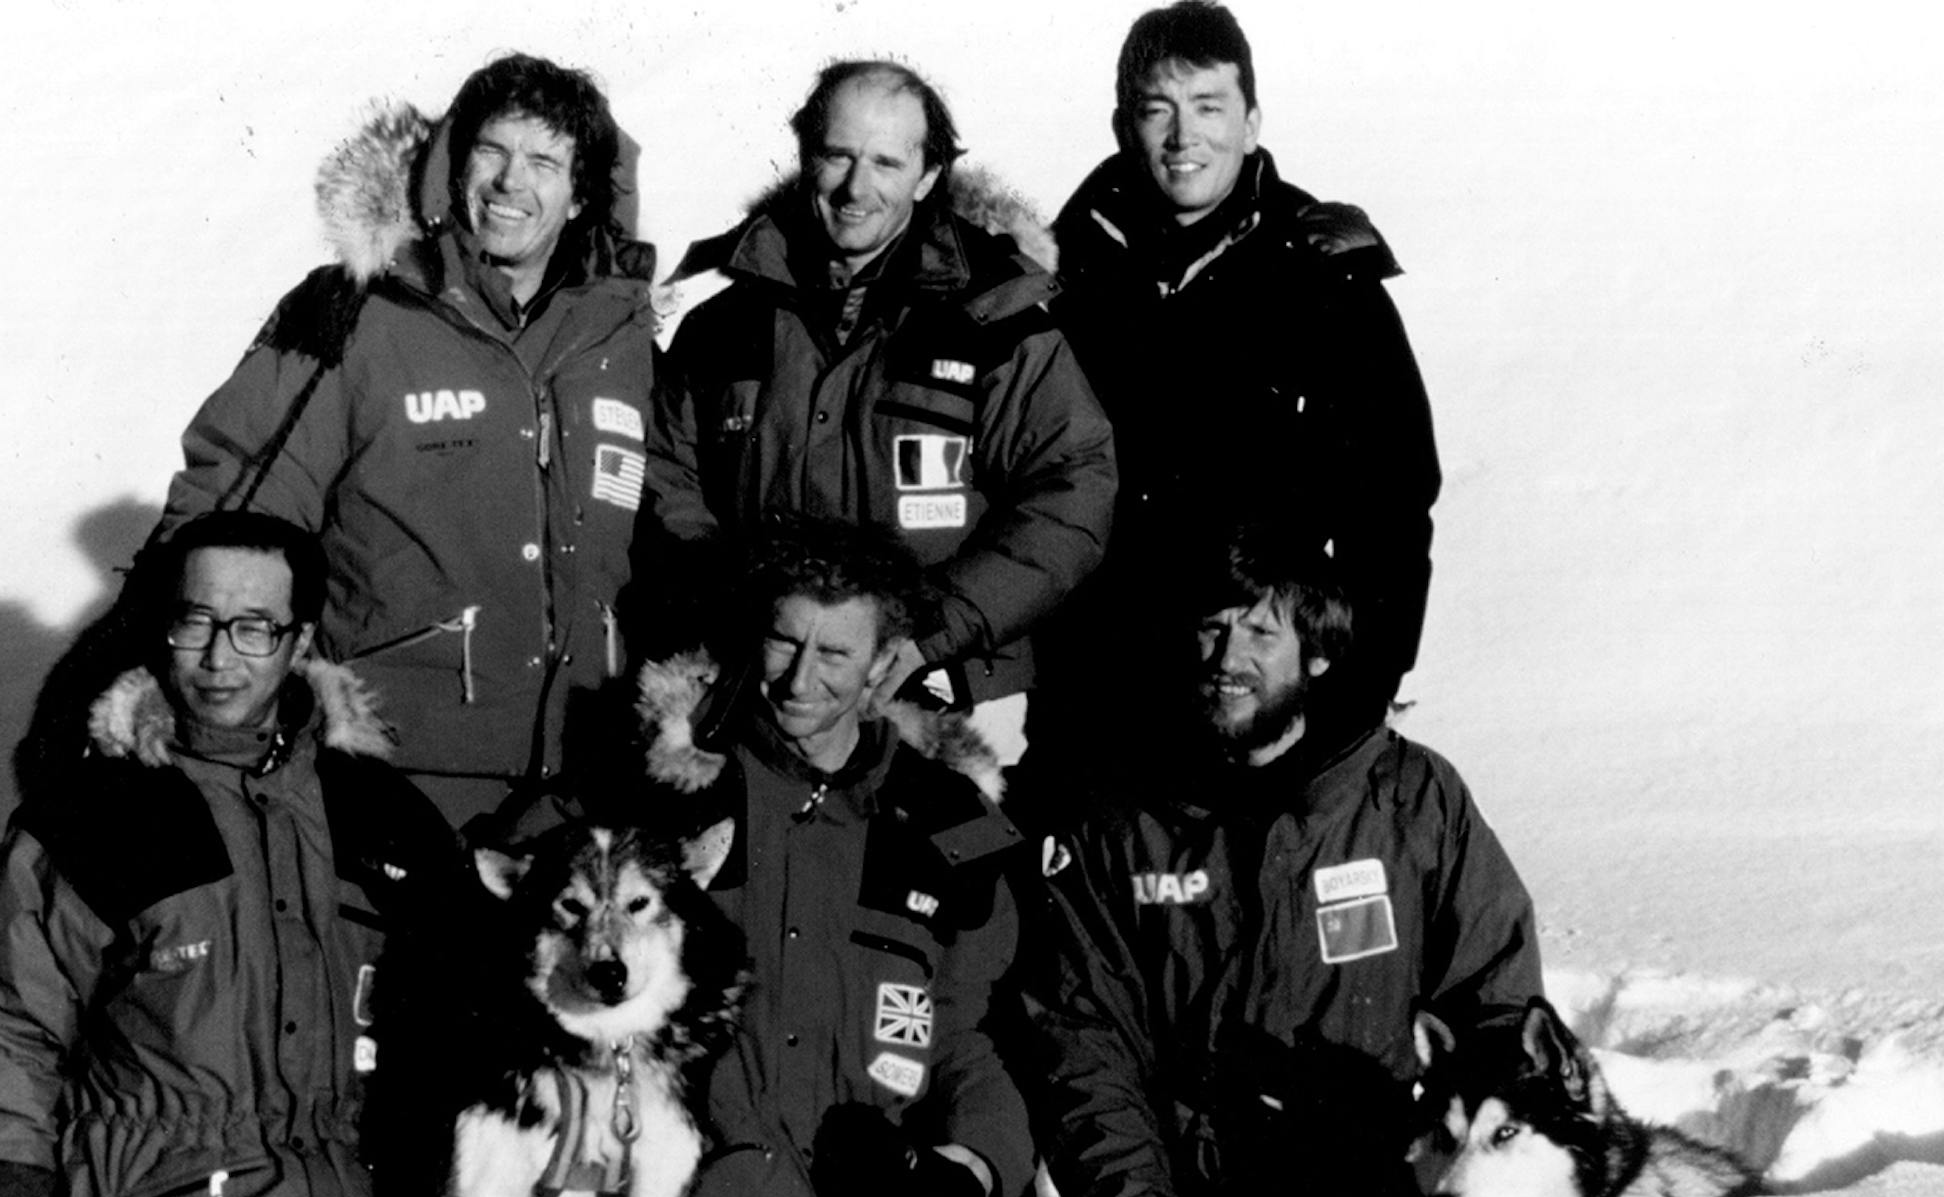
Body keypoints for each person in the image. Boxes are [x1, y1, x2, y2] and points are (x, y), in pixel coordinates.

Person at [0, 512, 459, 1197]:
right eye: (196, 621)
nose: (219, 658)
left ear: (299, 642)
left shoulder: (381, 817)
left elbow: (463, 1019)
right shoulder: (96, 816)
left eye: (254, 628)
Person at [1024, 532, 1542, 1197]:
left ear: (1319, 653)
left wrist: (1471, 1189)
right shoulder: (1121, 819)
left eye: (1261, 633)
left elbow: (1498, 1010)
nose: (1227, 659)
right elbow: (1083, 1043)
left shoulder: (1409, 799)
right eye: (1212, 628)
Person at [163, 53, 658, 826]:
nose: (510, 182)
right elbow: (238, 501)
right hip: (395, 777)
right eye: (491, 151)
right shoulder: (362, 313)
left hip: (581, 783)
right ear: (453, 169)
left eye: (544, 162)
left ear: (583, 193)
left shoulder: (620, 339)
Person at [609, 519, 1034, 1197]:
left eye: (835, 653)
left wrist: (974, 1161)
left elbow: (966, 1034)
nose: (801, 680)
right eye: (784, 641)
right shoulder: (669, 801)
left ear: (883, 665)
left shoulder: (946, 824)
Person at [642, 59, 1117, 774]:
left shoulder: (996, 319)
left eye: (887, 163)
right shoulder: (725, 324)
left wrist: (937, 628)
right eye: (838, 155)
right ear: (806, 156)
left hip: (947, 695)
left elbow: (1072, 486)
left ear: (928, 177)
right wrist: (735, 604)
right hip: (769, 691)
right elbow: (666, 475)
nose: (856, 188)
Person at [1039, 0, 1441, 781]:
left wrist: (1359, 690)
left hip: (1265, 689)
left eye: (1209, 107)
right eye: (1158, 110)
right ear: (1124, 126)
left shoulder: (1321, 274)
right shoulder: (1068, 268)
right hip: (1103, 684)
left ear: (1251, 123)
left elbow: (1392, 507)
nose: (1183, 137)